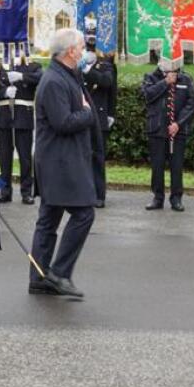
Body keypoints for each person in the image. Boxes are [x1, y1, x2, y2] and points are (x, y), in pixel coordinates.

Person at [28, 28, 101, 298]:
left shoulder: (66, 76)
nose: (83, 51)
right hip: (60, 163)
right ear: (70, 51)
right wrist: (86, 112)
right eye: (81, 47)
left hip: (60, 160)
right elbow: (63, 122)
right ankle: (58, 273)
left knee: (48, 220)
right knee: (84, 214)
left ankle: (39, 277)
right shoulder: (55, 81)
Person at [142, 56, 194, 212]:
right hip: (157, 128)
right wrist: (165, 82)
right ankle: (157, 197)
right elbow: (147, 96)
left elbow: (193, 103)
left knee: (176, 165)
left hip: (178, 130)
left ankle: (176, 198)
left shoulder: (185, 79)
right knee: (157, 165)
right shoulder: (151, 77)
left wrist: (178, 123)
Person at [0, 53, 41, 204]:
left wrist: (22, 77)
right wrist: (3, 92)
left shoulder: (32, 66)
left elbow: (41, 78)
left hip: (23, 116)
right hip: (4, 115)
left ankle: (26, 191)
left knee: (25, 157)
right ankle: (5, 191)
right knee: (5, 157)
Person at [82, 34, 117, 208]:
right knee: (81, 156)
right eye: (88, 47)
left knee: (97, 157)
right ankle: (83, 192)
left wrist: (89, 71)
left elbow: (108, 83)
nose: (90, 50)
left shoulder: (106, 65)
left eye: (92, 47)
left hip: (99, 117)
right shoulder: (78, 64)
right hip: (82, 115)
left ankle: (99, 194)